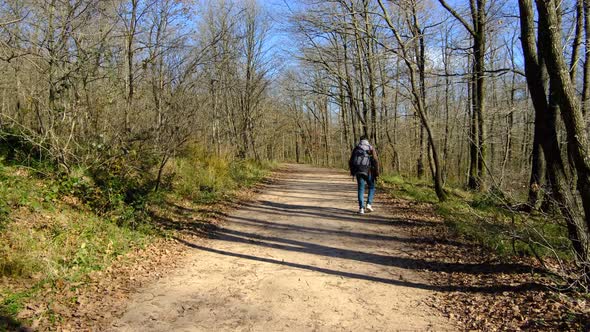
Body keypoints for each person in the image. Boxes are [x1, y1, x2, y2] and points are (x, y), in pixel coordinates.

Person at [349, 135, 379, 214]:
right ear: (367, 140)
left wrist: (352, 172)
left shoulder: (356, 148)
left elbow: (351, 161)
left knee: (361, 189)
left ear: (360, 140)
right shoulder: (370, 148)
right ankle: (369, 204)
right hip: (368, 171)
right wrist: (377, 173)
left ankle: (361, 208)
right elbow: (375, 161)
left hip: (358, 171)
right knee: (372, 187)